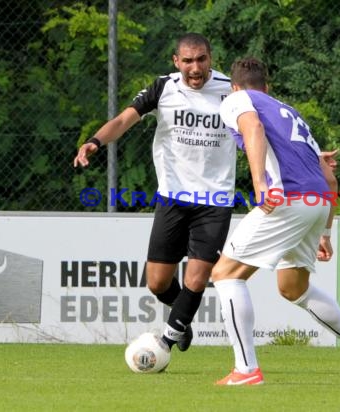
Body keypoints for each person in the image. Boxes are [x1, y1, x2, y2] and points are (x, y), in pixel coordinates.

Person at [211, 57, 340, 386]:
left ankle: (246, 370)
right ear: (268, 86)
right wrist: (325, 232)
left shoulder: (236, 100)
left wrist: (261, 185)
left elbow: (253, 129)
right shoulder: (290, 114)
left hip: (286, 199)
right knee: (294, 288)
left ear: (235, 87)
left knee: (225, 274)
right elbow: (330, 180)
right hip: (317, 202)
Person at [74, 33, 236, 353]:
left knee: (197, 276)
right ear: (176, 62)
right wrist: (94, 142)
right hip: (172, 197)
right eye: (187, 60)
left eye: (201, 59)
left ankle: (166, 341)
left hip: (215, 200)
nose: (195, 67)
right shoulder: (163, 88)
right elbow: (123, 120)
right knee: (157, 283)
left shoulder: (232, 91)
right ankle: (181, 318)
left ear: (210, 59)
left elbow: (266, 128)